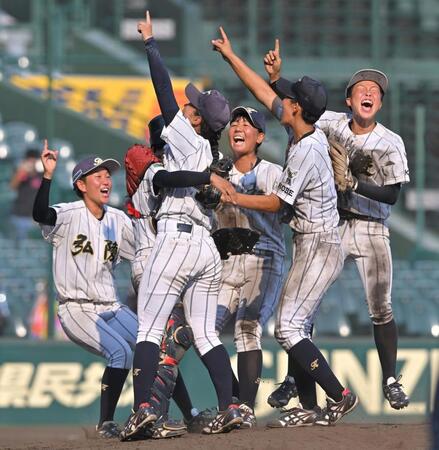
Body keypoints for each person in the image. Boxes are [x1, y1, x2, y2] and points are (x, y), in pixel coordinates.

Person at [211, 27, 358, 427]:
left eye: (287, 96)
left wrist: (233, 196)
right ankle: (310, 407)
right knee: (295, 326)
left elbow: (279, 203)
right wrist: (230, 56)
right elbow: (263, 92)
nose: (281, 98)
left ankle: (340, 396)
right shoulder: (300, 127)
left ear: (297, 108)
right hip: (310, 241)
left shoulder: (308, 150)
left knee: (288, 327)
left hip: (321, 243)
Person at [265, 40, 410, 411]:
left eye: (375, 90)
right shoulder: (329, 122)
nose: (368, 92)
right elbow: (299, 100)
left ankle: (390, 379)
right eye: (361, 88)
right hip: (332, 224)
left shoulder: (390, 142)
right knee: (304, 309)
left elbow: (393, 195)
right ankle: (293, 379)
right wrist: (279, 79)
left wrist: (355, 184)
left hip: (372, 226)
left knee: (381, 306)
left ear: (379, 103)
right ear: (348, 100)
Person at [119, 12, 242, 440]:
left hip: (175, 239)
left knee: (150, 328)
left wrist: (151, 43)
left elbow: (163, 91)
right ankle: (232, 406)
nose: (185, 106)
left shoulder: (187, 139)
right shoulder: (214, 155)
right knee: (206, 334)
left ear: (196, 120)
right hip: (205, 249)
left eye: (192, 106)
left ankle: (142, 411)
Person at [124, 115, 226, 439]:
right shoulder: (152, 166)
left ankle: (169, 413)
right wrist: (204, 176)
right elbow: (170, 178)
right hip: (153, 260)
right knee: (169, 338)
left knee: (170, 343)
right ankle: (152, 412)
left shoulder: (168, 170)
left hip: (168, 260)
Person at [32, 140, 137, 438]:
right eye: (98, 176)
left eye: (108, 175)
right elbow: (41, 215)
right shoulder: (69, 214)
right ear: (81, 184)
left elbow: (143, 253)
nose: (106, 180)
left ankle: (174, 413)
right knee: (120, 354)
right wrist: (48, 176)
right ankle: (105, 423)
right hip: (75, 306)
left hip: (110, 305)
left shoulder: (118, 220)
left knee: (150, 347)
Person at [214, 105, 286, 427]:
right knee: (204, 329)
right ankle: (233, 401)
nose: (238, 126)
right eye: (235, 121)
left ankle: (245, 407)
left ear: (259, 136)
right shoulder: (218, 172)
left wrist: (236, 197)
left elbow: (278, 203)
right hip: (228, 261)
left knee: (246, 330)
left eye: (247, 123)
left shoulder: (269, 171)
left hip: (264, 255)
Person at [9, 148, 42, 240]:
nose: (32, 163)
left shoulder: (41, 174)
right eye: (30, 160)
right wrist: (22, 171)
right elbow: (12, 186)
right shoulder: (21, 173)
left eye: (34, 160)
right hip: (20, 216)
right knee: (20, 244)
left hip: (35, 218)